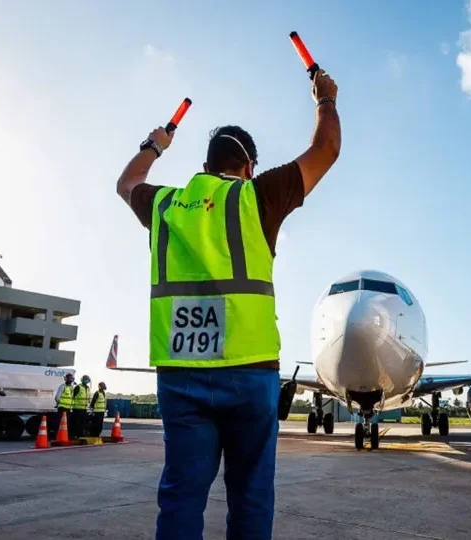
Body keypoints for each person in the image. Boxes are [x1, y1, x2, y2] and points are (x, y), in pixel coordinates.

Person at [115, 70, 340, 539]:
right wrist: (325, 100)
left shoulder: (166, 205)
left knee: (180, 496)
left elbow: (127, 182)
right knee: (251, 496)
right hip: (249, 370)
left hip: (180, 372)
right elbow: (326, 151)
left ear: (205, 163)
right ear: (249, 166)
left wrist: (155, 144)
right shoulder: (257, 195)